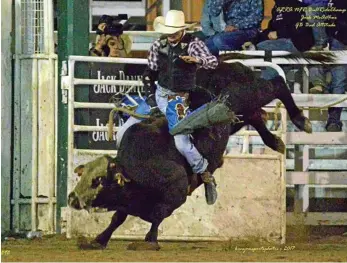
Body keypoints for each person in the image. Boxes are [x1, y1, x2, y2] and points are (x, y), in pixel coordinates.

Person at [116, 10, 219, 205]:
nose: (171, 34)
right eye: (169, 30)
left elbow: (213, 62)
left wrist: (198, 60)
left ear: (181, 30)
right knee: (122, 132)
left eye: (174, 31)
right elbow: (149, 72)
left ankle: (205, 174)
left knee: (182, 143)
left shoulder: (193, 45)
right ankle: (123, 170)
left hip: (178, 100)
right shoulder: (159, 45)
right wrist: (150, 95)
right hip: (158, 95)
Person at [308, 0, 347, 131]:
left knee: (339, 79)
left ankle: (333, 121)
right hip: (329, 38)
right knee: (338, 78)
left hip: (339, 39)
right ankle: (333, 120)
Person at [255, 0, 314, 80]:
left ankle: (268, 81)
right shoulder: (276, 8)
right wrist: (254, 39)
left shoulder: (294, 4)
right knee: (260, 44)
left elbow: (299, 27)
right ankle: (276, 82)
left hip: (298, 42)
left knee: (264, 46)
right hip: (283, 42)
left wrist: (278, 33)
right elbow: (271, 28)